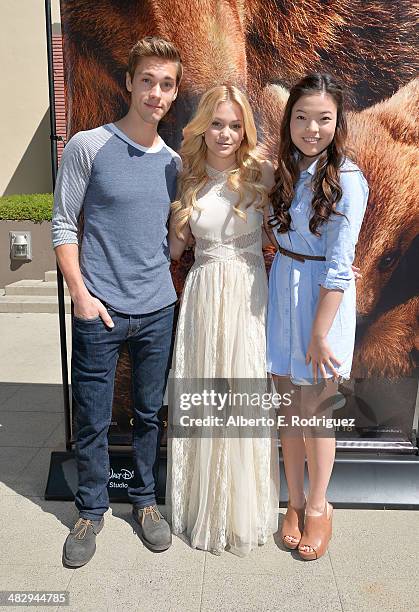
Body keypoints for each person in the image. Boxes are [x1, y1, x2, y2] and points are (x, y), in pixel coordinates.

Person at [51, 37, 183, 567]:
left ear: (174, 94)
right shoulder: (87, 145)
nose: (156, 92)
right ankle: (90, 510)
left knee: (151, 415)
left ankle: (146, 503)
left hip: (157, 309)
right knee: (92, 417)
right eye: (147, 80)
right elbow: (62, 223)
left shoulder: (175, 162)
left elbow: (170, 240)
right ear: (129, 82)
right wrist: (81, 296)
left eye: (167, 84)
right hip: (98, 312)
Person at [166, 85, 280, 556]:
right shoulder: (186, 179)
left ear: (246, 129)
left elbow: (293, 234)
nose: (226, 133)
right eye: (217, 123)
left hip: (249, 297)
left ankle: (240, 509)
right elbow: (174, 252)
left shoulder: (264, 175)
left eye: (235, 125)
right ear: (202, 128)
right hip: (202, 298)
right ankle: (202, 507)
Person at [265, 73, 368, 560]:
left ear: (337, 122)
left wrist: (320, 333)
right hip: (283, 290)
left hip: (321, 306)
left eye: (323, 119)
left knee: (317, 415)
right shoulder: (283, 169)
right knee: (289, 409)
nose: (311, 128)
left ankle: (319, 508)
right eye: (302, 118)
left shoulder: (348, 179)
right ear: (289, 121)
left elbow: (339, 266)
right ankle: (294, 500)